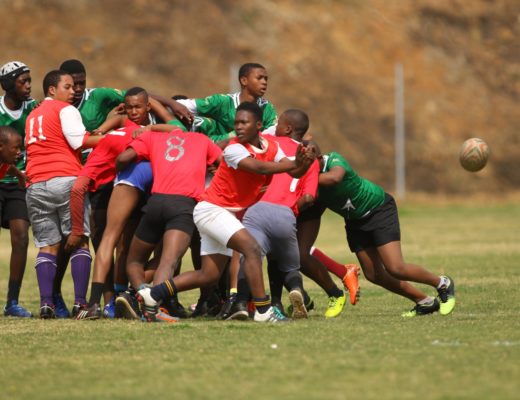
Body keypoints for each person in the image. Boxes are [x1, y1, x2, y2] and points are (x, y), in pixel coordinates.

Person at [136, 102, 315, 323]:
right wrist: (295, 162)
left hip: (224, 213)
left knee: (208, 275)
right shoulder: (233, 149)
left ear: (258, 125)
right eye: (236, 122)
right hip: (211, 210)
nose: (238, 127)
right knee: (252, 248)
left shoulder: (271, 146)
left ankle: (153, 294)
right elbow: (259, 168)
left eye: (244, 122)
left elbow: (295, 172)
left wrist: (305, 163)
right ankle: (263, 310)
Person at [305, 149, 456, 317]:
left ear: (319, 158)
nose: (305, 168)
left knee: (396, 267)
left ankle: (442, 283)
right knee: (373, 274)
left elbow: (335, 178)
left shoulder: (334, 160)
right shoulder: (308, 180)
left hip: (378, 209)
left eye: (308, 164)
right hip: (354, 222)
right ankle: (424, 301)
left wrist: (306, 179)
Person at [116, 122, 222, 323]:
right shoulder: (202, 139)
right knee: (168, 261)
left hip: (156, 203)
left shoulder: (151, 137)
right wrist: (214, 170)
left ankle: (140, 293)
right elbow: (224, 162)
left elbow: (123, 158)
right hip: (184, 205)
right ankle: (152, 306)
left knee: (134, 261)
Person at [221, 109, 320, 320]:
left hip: (258, 209)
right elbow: (309, 197)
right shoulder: (310, 158)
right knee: (288, 264)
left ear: (287, 128)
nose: (274, 126)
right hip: (286, 213)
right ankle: (290, 293)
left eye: (278, 123)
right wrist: (293, 208)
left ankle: (240, 303)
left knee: (250, 256)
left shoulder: (271, 142)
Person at [24, 69, 100, 319]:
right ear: (52, 90)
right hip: (66, 179)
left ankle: (46, 304)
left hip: (36, 185)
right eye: (67, 86)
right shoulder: (65, 109)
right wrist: (111, 139)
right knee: (80, 241)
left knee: (47, 246)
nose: (73, 91)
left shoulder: (32, 115)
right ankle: (80, 305)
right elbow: (79, 141)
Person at [0, 61, 36, 317]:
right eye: (23, 81)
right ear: (8, 85)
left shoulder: (34, 109)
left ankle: (12, 302)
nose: (28, 86)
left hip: (18, 184)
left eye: (29, 80)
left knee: (21, 237)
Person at [176, 62, 277, 141]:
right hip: (215, 149)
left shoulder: (267, 108)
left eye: (266, 79)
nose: (264, 82)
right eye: (259, 78)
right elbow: (180, 105)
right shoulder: (222, 101)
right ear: (244, 81)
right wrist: (167, 101)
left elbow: (274, 132)